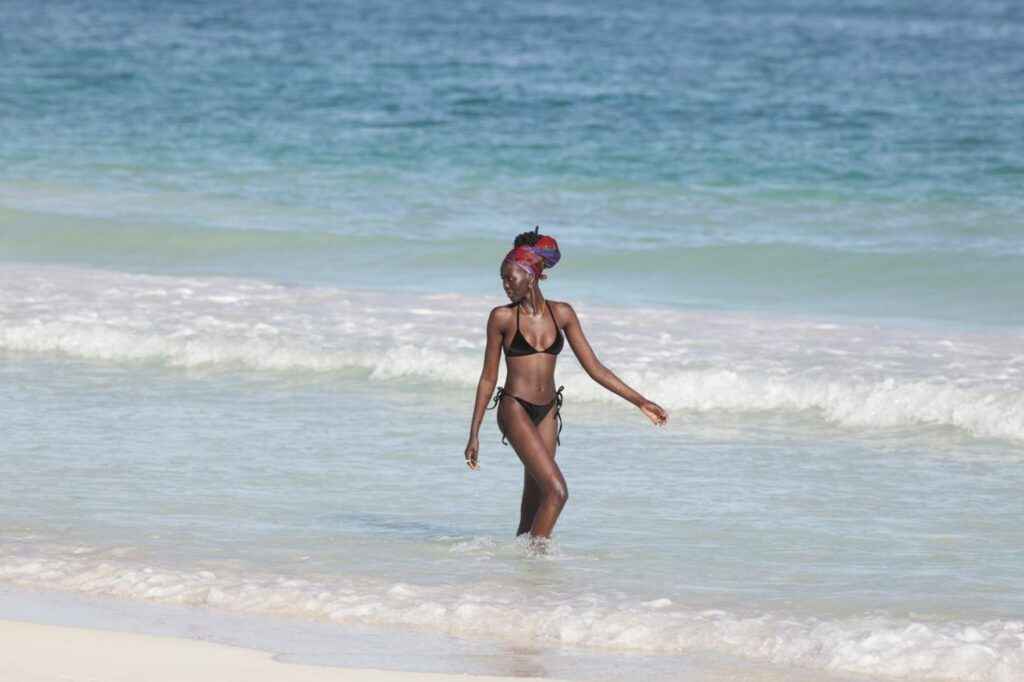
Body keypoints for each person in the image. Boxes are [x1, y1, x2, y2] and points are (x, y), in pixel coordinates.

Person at [464, 227, 669, 543]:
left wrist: (640, 401)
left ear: (531, 276)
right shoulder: (501, 318)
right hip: (515, 409)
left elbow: (595, 368)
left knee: (536, 500)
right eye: (502, 279)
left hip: (547, 412)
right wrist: (474, 433)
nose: (505, 285)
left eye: (510, 278)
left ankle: (522, 566)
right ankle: (537, 559)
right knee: (557, 491)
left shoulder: (562, 314)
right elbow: (488, 377)